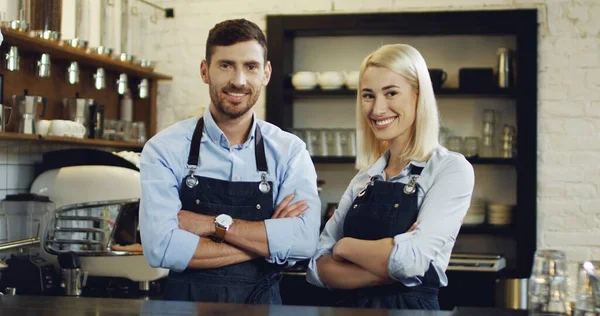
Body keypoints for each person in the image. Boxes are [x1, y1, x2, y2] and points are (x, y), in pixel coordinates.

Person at [138, 19, 321, 304]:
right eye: (225, 65)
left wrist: (213, 225)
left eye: (251, 66)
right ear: (204, 71)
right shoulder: (164, 149)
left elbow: (304, 242)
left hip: (261, 305)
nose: (238, 80)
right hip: (185, 307)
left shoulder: (290, 152)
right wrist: (266, 243)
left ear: (266, 73)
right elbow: (161, 248)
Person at [306, 44, 475, 310]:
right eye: (368, 95)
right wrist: (390, 266)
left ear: (418, 95)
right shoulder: (365, 178)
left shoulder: (450, 170)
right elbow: (317, 267)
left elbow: (411, 261)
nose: (377, 109)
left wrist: (345, 248)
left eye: (391, 93)